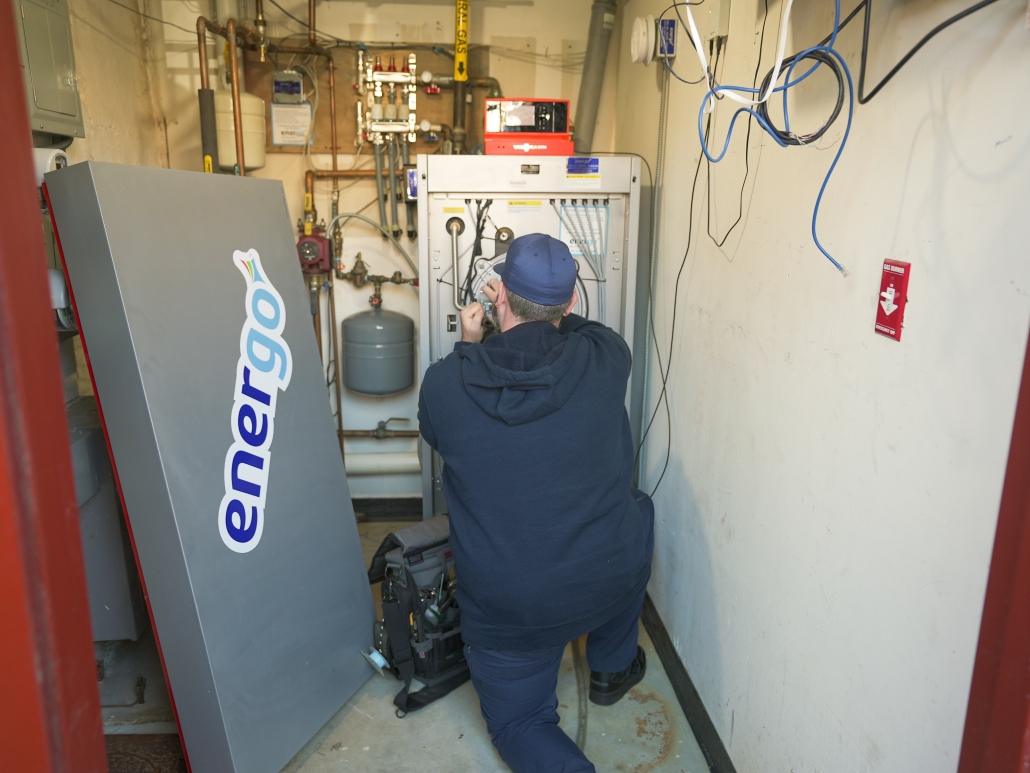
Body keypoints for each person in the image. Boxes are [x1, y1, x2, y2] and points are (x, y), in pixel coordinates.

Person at [418, 233, 654, 773]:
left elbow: (443, 434)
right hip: (604, 577)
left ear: (497, 294)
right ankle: (611, 667)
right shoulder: (607, 356)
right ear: (570, 303)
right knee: (640, 511)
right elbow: (573, 328)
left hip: (510, 607)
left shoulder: (445, 384)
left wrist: (473, 341)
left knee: (522, 725)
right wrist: (540, 311)